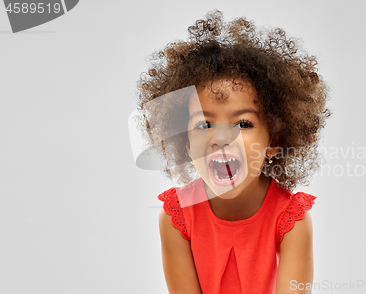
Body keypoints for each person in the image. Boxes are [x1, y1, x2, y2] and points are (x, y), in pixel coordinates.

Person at [134, 10, 331, 294]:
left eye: (243, 123)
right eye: (204, 123)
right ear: (186, 143)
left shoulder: (291, 218)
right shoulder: (176, 217)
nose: (221, 138)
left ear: (273, 139)